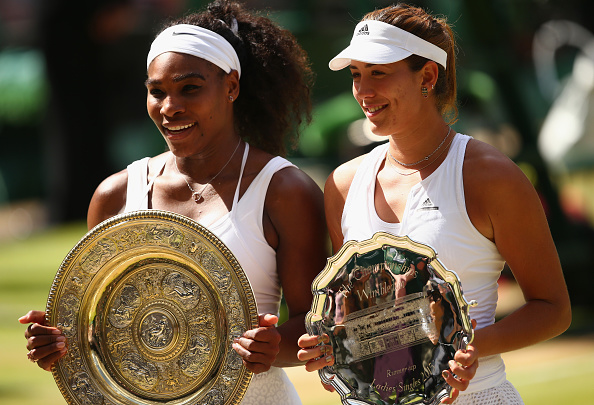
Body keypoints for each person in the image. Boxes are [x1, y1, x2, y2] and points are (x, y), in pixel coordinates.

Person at [19, 1, 328, 404]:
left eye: (190, 88)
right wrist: (59, 343)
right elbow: (103, 329)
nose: (169, 107)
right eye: (156, 92)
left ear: (232, 86)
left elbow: (315, 323)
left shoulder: (285, 190)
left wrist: (274, 346)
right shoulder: (114, 196)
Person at [298, 3, 571, 404]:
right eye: (356, 75)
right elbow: (357, 310)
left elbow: (553, 309)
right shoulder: (343, 182)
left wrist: (470, 346)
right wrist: (334, 348)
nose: (363, 91)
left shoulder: (492, 177)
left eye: (379, 72)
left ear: (427, 75)